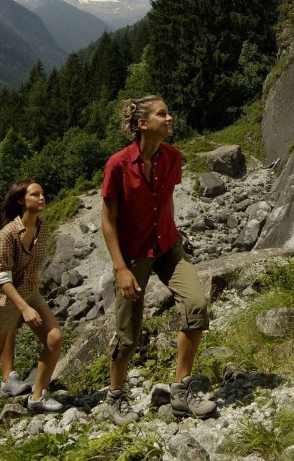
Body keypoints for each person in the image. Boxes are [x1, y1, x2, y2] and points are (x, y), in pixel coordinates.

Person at [101, 96, 216, 422]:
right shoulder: (118, 165)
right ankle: (116, 395)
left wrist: (173, 235)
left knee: (195, 305)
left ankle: (181, 389)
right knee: (128, 333)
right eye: (162, 114)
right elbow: (107, 221)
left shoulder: (173, 157)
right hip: (133, 256)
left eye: (169, 111)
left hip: (168, 247)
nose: (169, 118)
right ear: (141, 124)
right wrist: (120, 268)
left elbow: (165, 202)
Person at [0, 180, 64, 433]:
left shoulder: (42, 228)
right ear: (21, 200)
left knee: (54, 339)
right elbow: (2, 279)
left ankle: (37, 397)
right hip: (3, 302)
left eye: (43, 193)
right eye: (35, 194)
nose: (42, 198)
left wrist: (30, 302)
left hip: (30, 293)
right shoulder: (5, 235)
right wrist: (24, 309)